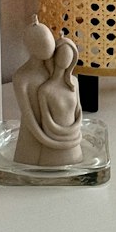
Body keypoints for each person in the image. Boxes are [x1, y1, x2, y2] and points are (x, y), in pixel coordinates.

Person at [12, 18, 56, 165]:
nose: (49, 45)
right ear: (30, 46)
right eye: (43, 42)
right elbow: (28, 114)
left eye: (49, 40)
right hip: (33, 135)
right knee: (28, 162)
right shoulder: (22, 77)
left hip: (54, 130)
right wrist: (45, 138)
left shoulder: (53, 70)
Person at [36, 37, 83, 167]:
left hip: (74, 145)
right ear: (55, 56)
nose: (66, 58)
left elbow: (78, 111)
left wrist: (74, 131)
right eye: (63, 53)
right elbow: (46, 120)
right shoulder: (45, 90)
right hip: (53, 146)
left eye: (70, 55)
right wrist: (61, 137)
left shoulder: (74, 83)